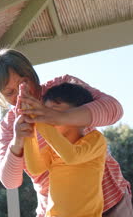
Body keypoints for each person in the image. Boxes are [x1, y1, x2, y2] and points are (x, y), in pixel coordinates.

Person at [0, 49, 133, 217]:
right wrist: (18, 140)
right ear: (1, 96)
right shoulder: (9, 126)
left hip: (109, 201)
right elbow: (10, 181)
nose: (21, 93)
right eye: (10, 93)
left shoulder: (64, 87)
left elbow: (114, 110)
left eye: (24, 82)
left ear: (31, 74)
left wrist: (59, 116)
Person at [23, 82, 107, 216]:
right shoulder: (53, 148)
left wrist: (38, 120)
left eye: (54, 110)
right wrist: (29, 134)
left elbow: (71, 156)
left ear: (78, 114)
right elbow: (35, 168)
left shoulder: (96, 140)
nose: (47, 116)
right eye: (45, 110)